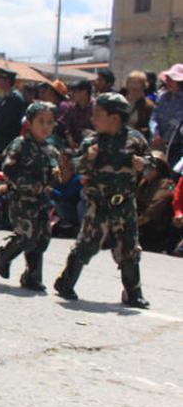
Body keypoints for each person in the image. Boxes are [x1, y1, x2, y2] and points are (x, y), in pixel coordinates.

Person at [54, 93, 153, 308]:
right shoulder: (92, 141)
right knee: (86, 245)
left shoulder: (135, 140)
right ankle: (66, 282)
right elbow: (74, 168)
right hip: (98, 204)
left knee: (129, 247)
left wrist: (142, 164)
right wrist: (87, 158)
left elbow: (151, 165)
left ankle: (133, 293)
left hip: (124, 204)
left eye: (98, 114)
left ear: (115, 117)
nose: (93, 118)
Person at [0, 102, 60, 291]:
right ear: (30, 123)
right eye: (41, 121)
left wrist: (55, 175)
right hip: (22, 199)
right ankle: (5, 255)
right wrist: (28, 184)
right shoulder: (20, 144)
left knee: (42, 237)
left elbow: (53, 171)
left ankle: (32, 276)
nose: (45, 126)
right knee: (26, 234)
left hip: (42, 201)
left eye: (50, 122)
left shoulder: (51, 149)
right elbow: (8, 168)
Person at [0, 66, 28, 167]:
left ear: (7, 81)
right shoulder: (2, 97)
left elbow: (8, 122)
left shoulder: (15, 98)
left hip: (6, 144)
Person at [136, 151, 176, 253]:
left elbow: (152, 211)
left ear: (158, 169)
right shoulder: (144, 183)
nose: (145, 169)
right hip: (138, 226)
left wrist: (130, 225)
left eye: (149, 167)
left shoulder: (167, 185)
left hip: (153, 232)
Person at [151, 63, 183, 171]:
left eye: (171, 79)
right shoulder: (162, 97)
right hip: (159, 144)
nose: (168, 82)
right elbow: (154, 117)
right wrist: (156, 133)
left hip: (177, 145)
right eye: (168, 79)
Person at [57, 79, 94, 149]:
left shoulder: (95, 107)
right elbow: (67, 127)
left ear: (84, 92)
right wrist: (70, 141)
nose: (71, 94)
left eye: (74, 91)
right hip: (75, 146)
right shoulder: (71, 108)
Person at [125, 70, 154, 142]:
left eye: (138, 83)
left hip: (138, 141)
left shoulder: (148, 105)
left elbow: (150, 127)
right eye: (131, 82)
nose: (134, 86)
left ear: (144, 85)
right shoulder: (121, 101)